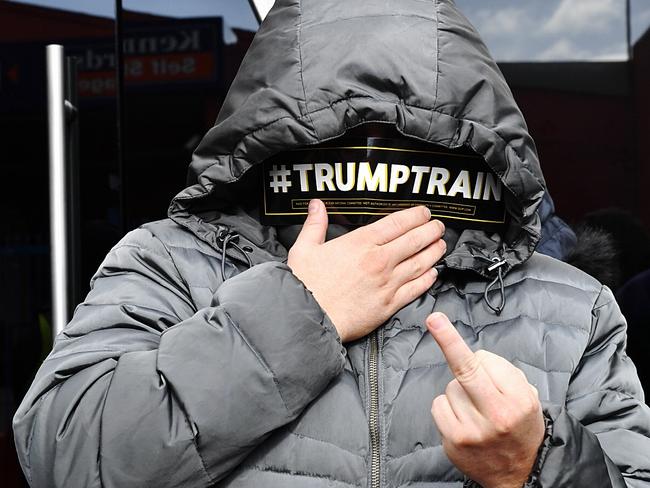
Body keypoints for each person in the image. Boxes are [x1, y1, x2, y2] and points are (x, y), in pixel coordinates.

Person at [14, 1, 650, 487]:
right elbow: (61, 454)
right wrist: (298, 312)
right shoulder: (172, 263)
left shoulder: (570, 304)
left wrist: (536, 462)